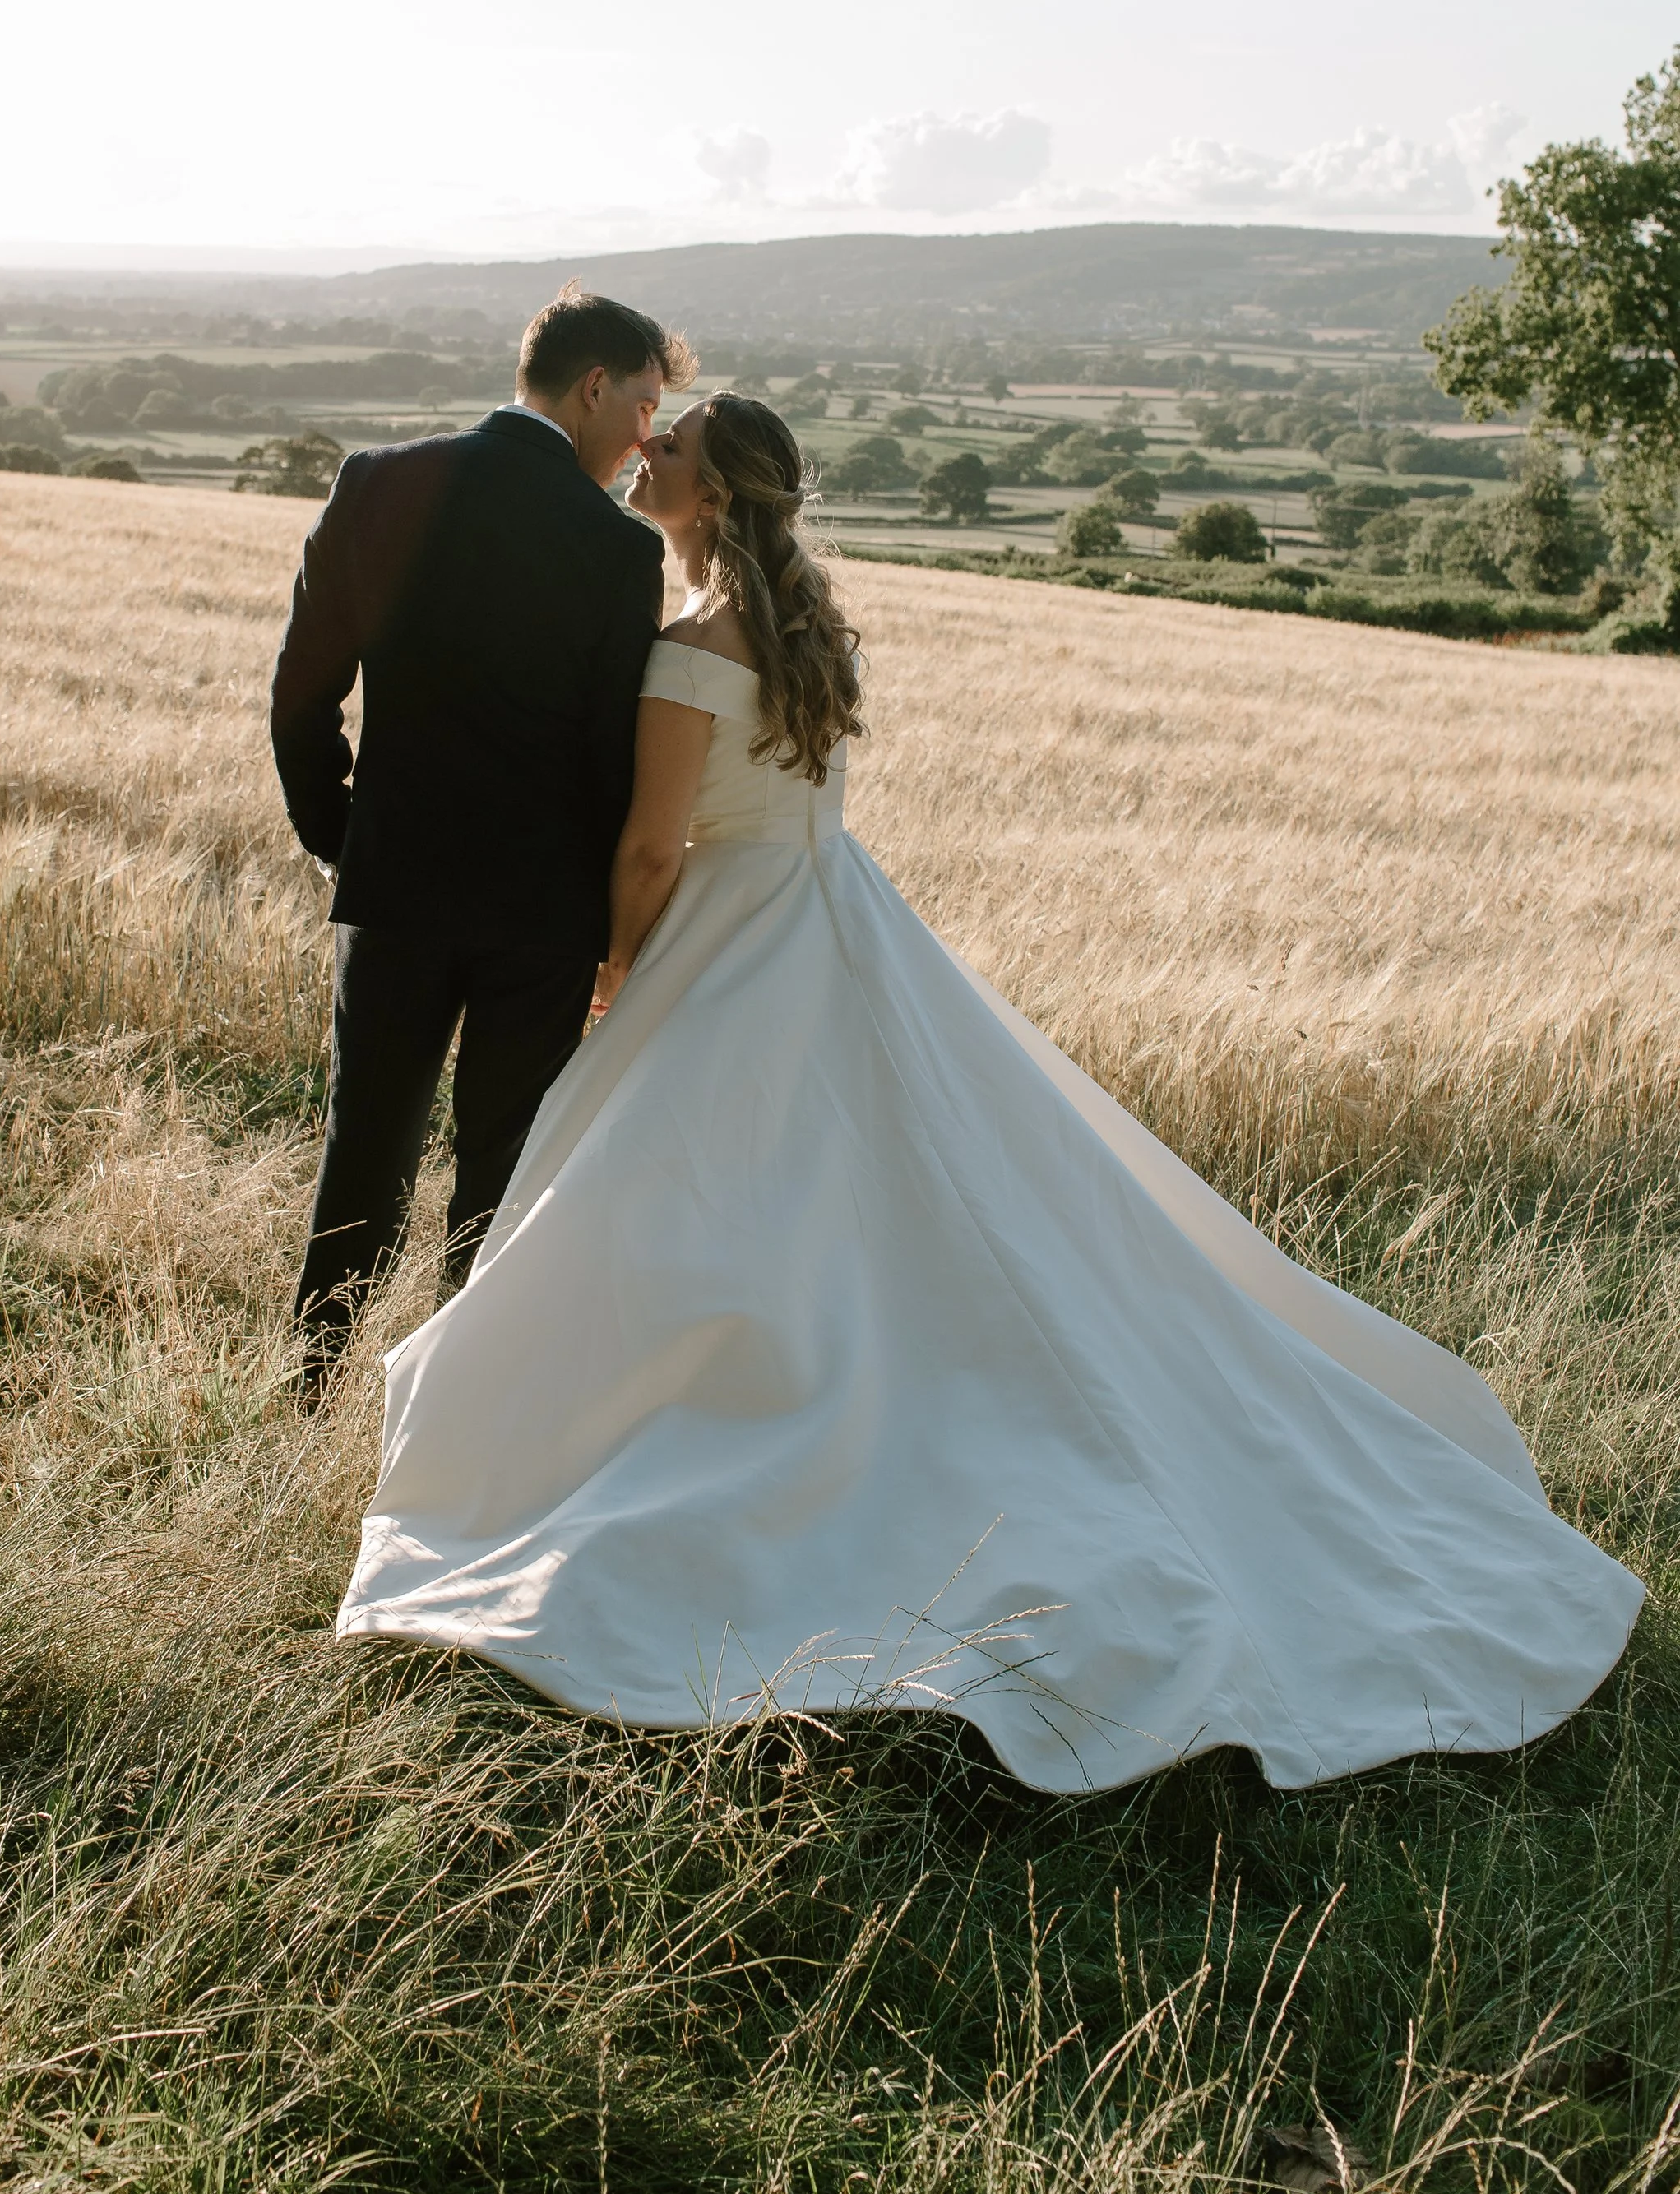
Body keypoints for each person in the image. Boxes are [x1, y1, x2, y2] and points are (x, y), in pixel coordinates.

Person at [334, 392, 1643, 1794]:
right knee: (886, 1194)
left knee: (699, 1198)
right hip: (837, 920)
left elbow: (655, 849)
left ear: (711, 498)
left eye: (673, 453)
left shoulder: (688, 645)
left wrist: (615, 976)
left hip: (728, 936)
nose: (645, 457)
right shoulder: (804, 627)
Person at [271, 284, 692, 1382]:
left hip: (395, 888)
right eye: (646, 404)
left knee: (362, 1153)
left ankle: (309, 1389)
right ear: (595, 387)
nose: (650, 433)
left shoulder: (378, 484)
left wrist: (342, 836)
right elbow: (613, 758)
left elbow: (299, 696)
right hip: (542, 919)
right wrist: (604, 924)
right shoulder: (616, 551)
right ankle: (457, 1419)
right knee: (497, 1180)